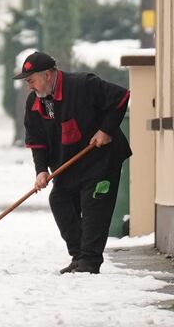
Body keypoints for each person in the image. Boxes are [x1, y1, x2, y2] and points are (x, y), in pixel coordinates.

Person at [14, 51, 131, 274]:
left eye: (31, 80)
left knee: (93, 205)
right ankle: (79, 256)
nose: (29, 86)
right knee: (59, 199)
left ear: (48, 75)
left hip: (101, 160)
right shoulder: (34, 103)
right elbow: (37, 140)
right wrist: (40, 171)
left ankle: (89, 261)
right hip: (69, 164)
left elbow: (121, 97)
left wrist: (106, 130)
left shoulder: (83, 85)